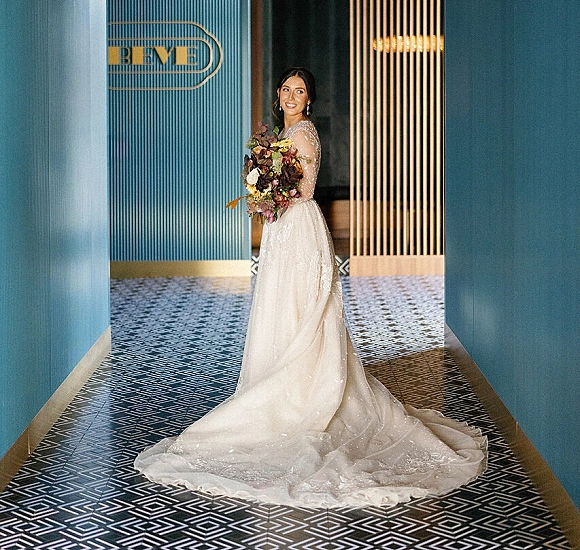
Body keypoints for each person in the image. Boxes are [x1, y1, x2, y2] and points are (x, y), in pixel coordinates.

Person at [134, 67, 487, 508]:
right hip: (283, 231)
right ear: (278, 93)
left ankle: (301, 391)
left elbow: (303, 190)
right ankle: (276, 377)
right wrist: (263, 191)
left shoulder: (302, 134)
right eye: (286, 89)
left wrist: (267, 191)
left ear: (309, 100)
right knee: (281, 308)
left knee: (303, 311)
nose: (291, 96)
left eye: (299, 91)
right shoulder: (283, 134)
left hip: (299, 228)